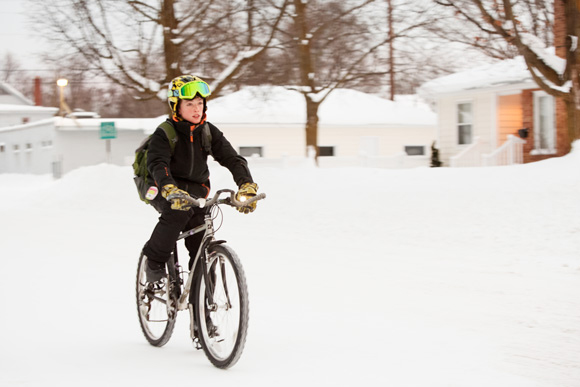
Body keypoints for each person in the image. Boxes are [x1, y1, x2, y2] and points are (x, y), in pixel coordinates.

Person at [142, 75, 258, 283]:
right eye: (189, 104)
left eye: (200, 103)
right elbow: (158, 164)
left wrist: (245, 185)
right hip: (162, 188)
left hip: (196, 193)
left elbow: (232, 158)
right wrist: (169, 188)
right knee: (178, 212)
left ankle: (203, 306)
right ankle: (154, 261)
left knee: (201, 245)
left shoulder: (208, 131)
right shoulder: (165, 133)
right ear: (176, 106)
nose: (197, 109)